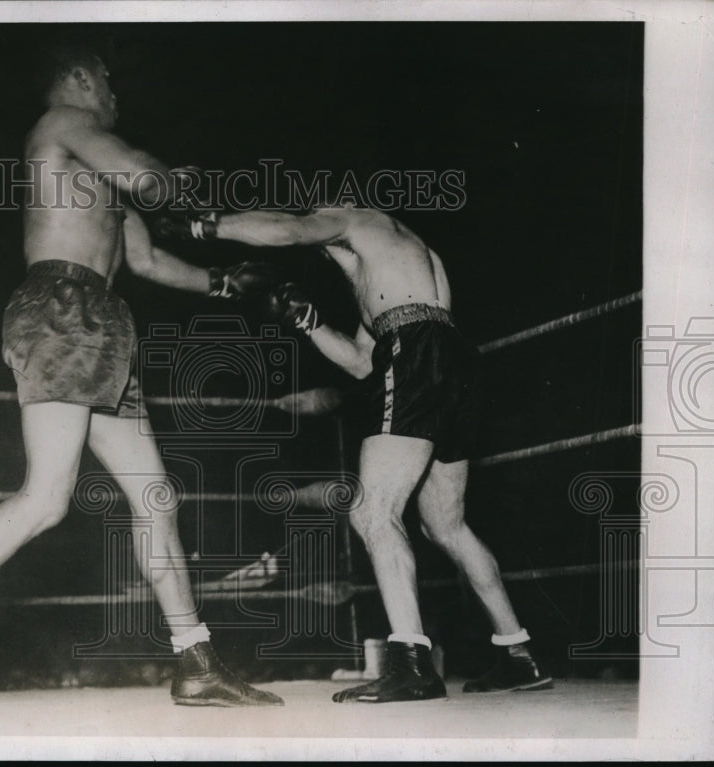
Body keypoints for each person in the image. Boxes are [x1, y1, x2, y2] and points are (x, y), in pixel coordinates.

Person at [0, 46, 282, 719]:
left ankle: (196, 662)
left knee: (155, 497)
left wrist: (224, 282)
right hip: (63, 307)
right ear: (82, 79)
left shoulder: (94, 165)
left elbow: (145, 259)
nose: (117, 97)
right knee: (46, 498)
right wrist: (190, 190)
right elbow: (148, 179)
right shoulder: (64, 123)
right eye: (109, 83)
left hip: (102, 319)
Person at [154, 203, 552, 702]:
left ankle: (411, 665)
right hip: (449, 361)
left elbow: (288, 230)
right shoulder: (400, 265)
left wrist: (204, 225)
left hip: (416, 355)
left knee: (373, 511)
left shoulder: (355, 218)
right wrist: (308, 321)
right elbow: (365, 363)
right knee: (446, 526)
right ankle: (518, 653)